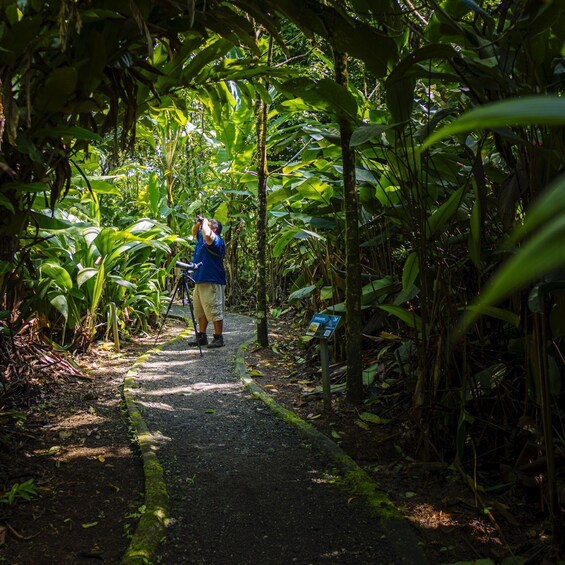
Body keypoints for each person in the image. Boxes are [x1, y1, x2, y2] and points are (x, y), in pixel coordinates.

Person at [187, 214, 226, 348]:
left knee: (214, 309)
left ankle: (218, 337)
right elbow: (194, 232)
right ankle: (202, 336)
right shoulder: (201, 239)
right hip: (200, 279)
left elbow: (207, 235)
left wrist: (205, 222)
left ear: (213, 229)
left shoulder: (216, 240)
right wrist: (199, 222)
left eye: (206, 226)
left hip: (212, 280)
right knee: (200, 311)